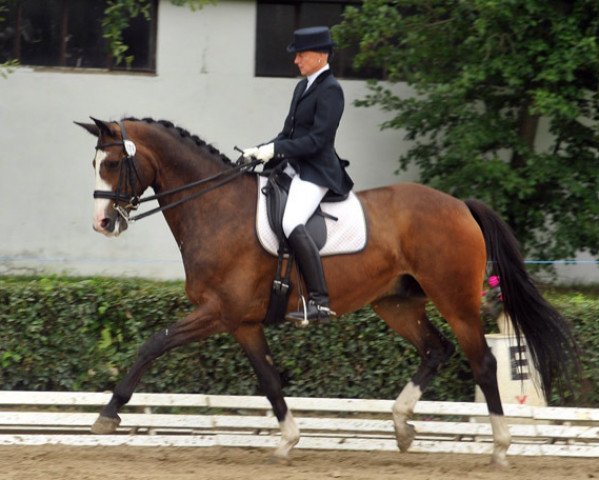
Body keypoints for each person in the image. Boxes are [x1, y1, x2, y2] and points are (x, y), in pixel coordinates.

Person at [243, 26, 354, 324]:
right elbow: (287, 133)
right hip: (293, 166)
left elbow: (318, 140)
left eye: (301, 55)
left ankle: (319, 301)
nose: (296, 61)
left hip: (316, 171)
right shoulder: (302, 87)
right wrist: (261, 150)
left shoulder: (331, 89)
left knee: (291, 221)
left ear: (320, 55)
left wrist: (276, 148)